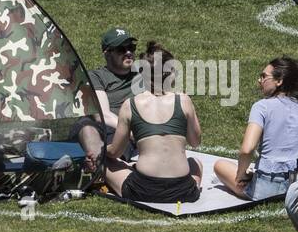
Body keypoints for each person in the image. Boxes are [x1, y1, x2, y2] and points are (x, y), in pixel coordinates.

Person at [103, 41, 204, 205]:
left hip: (142, 189)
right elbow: (195, 142)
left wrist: (100, 150)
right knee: (195, 163)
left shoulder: (130, 105)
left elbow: (115, 152)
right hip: (183, 190)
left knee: (106, 162)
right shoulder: (184, 100)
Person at [214, 58, 298, 200]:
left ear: (279, 81)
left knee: (220, 165)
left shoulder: (261, 106)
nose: (259, 80)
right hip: (297, 185)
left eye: (264, 76)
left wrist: (241, 174)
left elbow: (247, 149)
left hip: (267, 186)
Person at [74, 26, 138, 170]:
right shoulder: (96, 76)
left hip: (125, 131)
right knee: (86, 126)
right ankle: (99, 164)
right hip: (104, 125)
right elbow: (103, 115)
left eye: (131, 48)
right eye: (122, 49)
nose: (128, 53)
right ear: (107, 53)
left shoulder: (141, 76)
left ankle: (102, 167)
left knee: (121, 141)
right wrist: (133, 132)